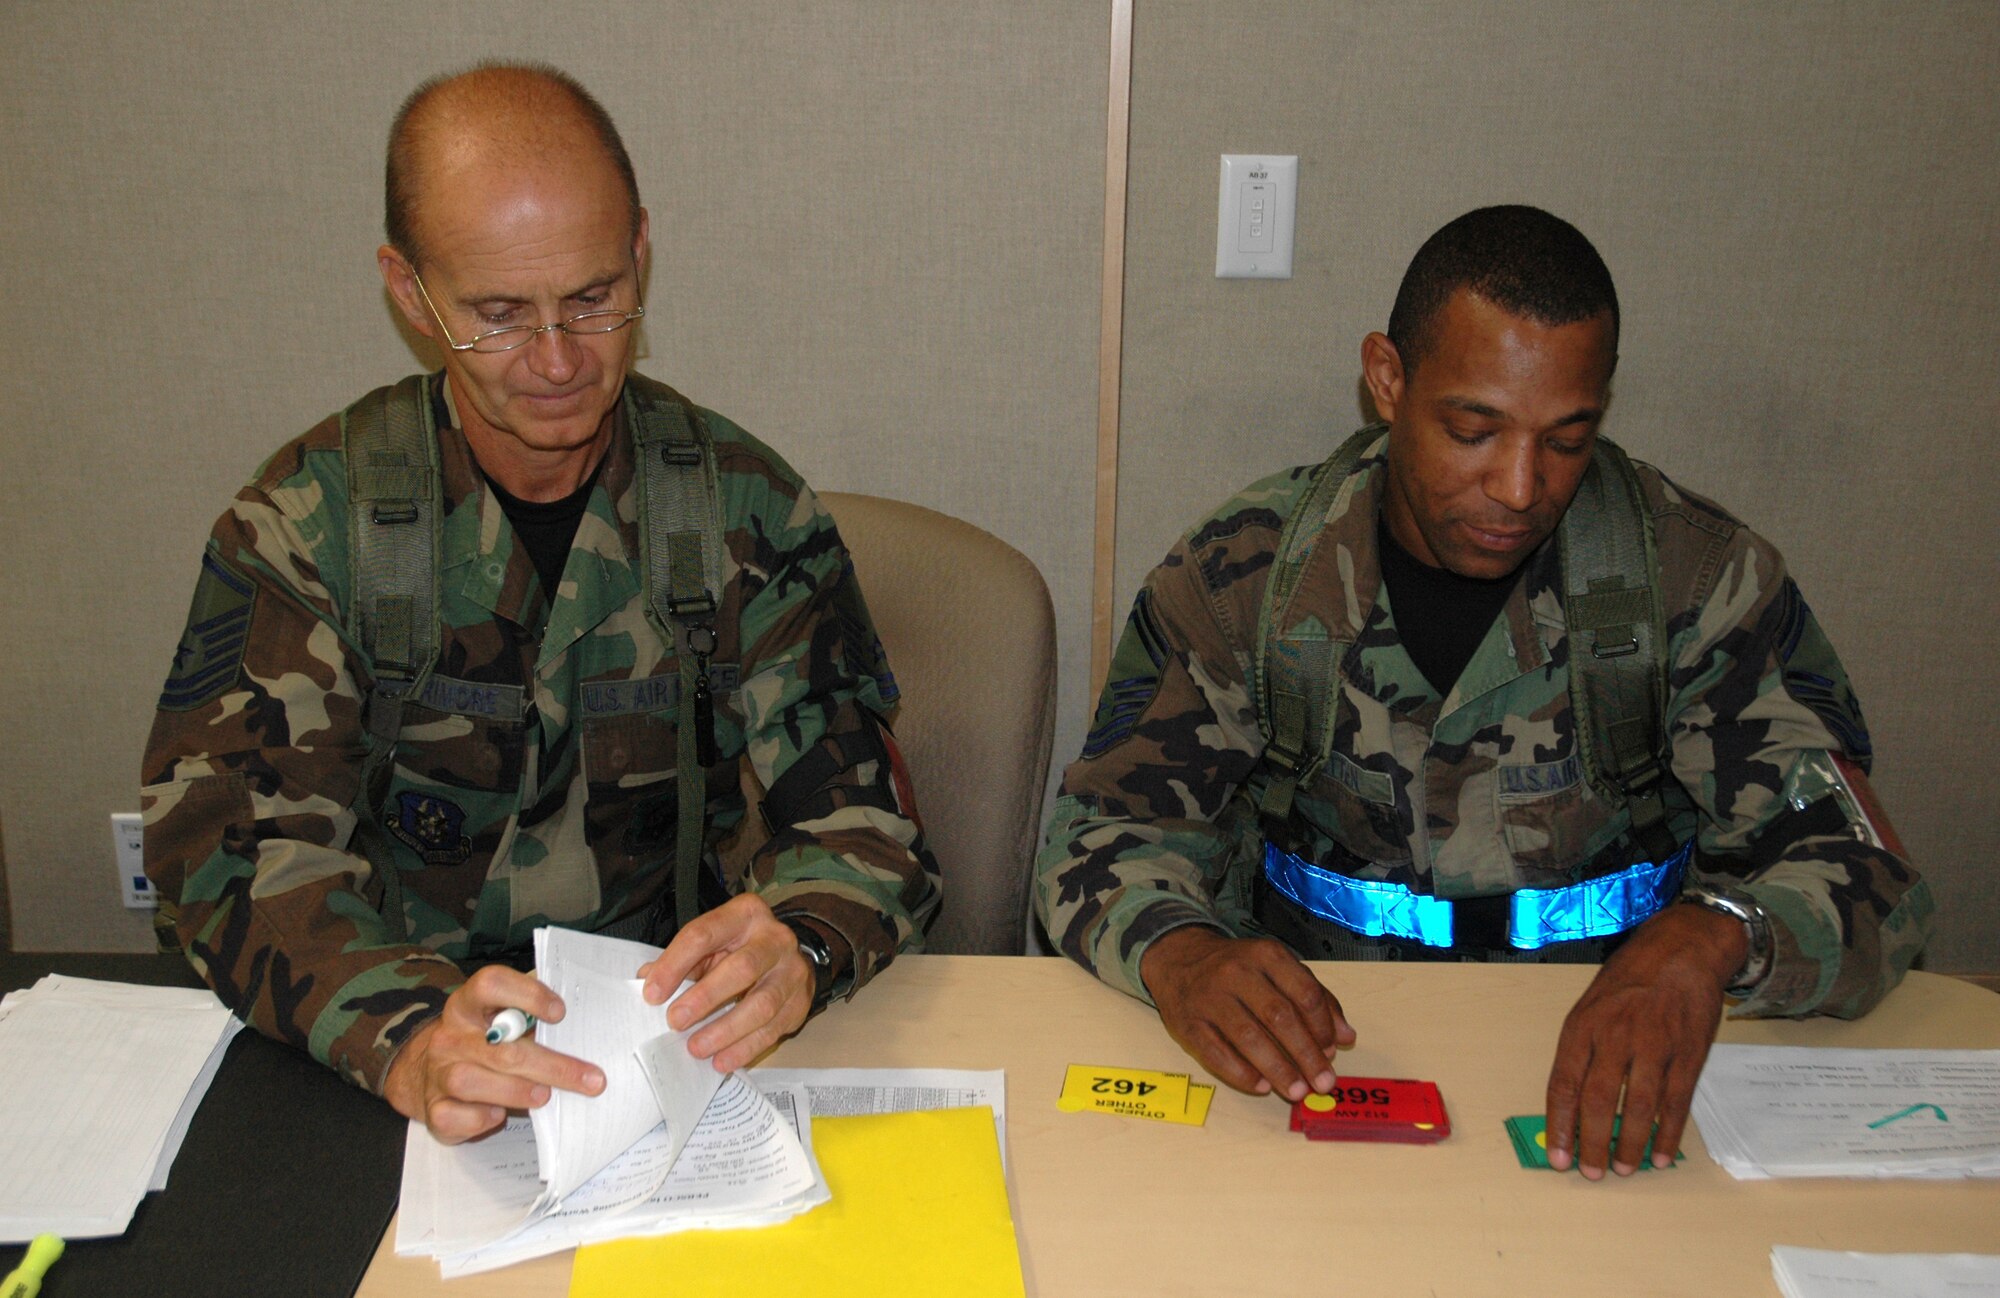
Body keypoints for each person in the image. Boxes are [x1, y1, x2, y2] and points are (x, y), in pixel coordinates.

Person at [1036, 205, 1931, 1180]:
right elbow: (1103, 830)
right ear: (1386, 379)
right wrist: (1180, 951)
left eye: (1565, 437)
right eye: (1473, 427)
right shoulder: (1246, 572)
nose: (1518, 485)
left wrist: (1717, 937)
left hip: (1611, 1073)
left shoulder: (1693, 581)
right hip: (1318, 1071)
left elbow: (1867, 872)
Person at [142, 63, 940, 1143]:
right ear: (409, 290)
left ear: (641, 250)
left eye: (595, 298)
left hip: (673, 1058)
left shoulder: (740, 510)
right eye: (500, 315)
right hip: (392, 1064)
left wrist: (794, 944)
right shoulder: (308, 527)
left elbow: (861, 825)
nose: (560, 360)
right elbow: (226, 855)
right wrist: (403, 1034)